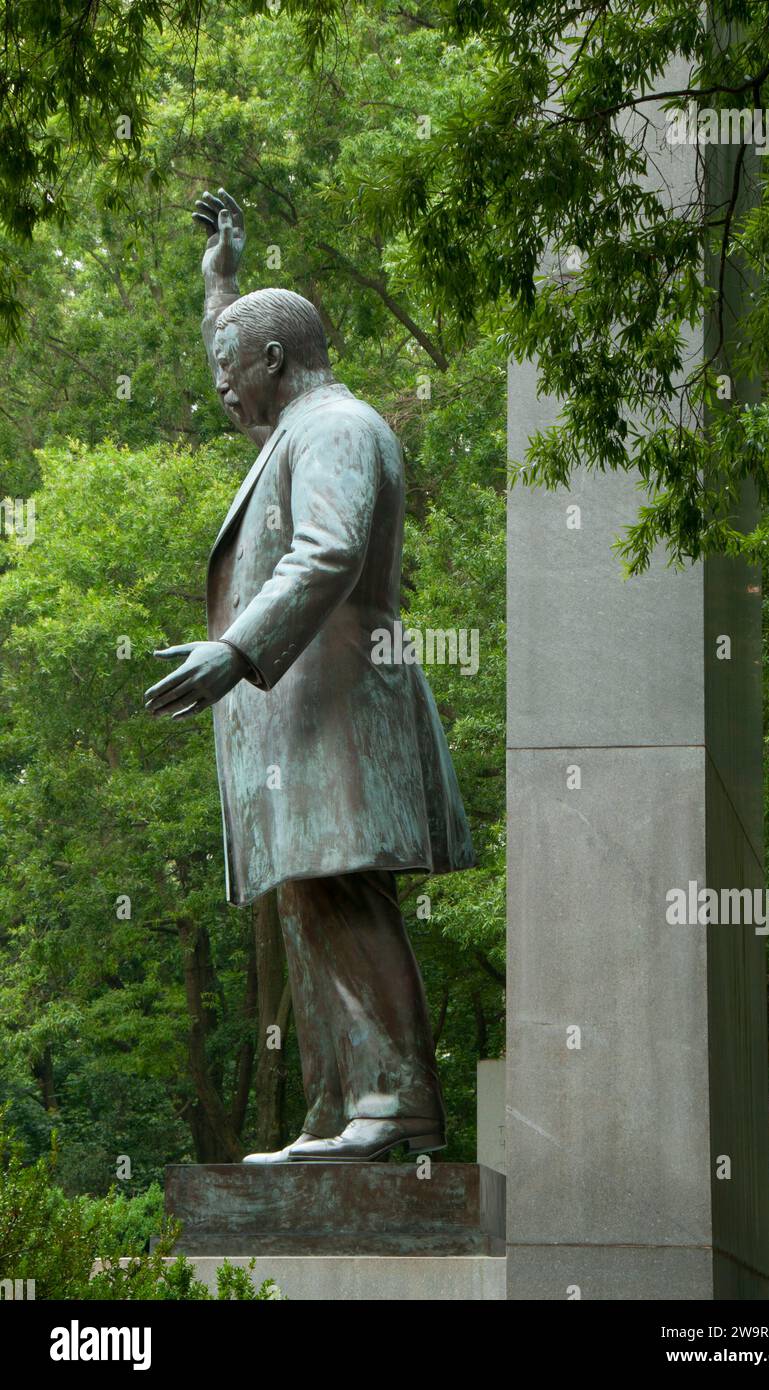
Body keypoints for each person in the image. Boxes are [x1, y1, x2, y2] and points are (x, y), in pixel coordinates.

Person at [144, 189, 475, 1162]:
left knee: (343, 894)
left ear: (272, 361)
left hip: (340, 703)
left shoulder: (336, 427)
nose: (220, 389)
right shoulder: (299, 427)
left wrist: (235, 649)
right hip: (311, 713)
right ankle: (340, 1105)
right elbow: (256, 396)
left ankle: (396, 1102)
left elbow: (328, 549)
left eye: (227, 367)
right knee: (312, 897)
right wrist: (220, 290)